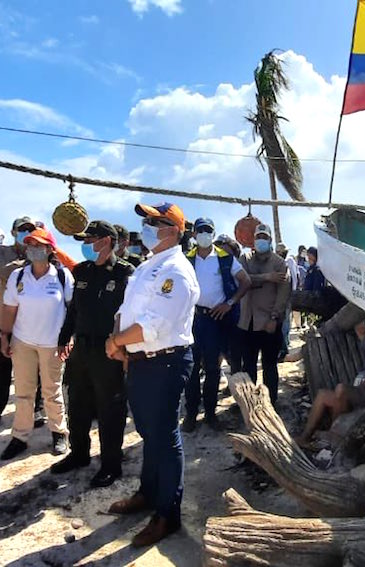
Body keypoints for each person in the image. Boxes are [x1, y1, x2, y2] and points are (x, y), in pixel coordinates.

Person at [104, 202, 198, 547]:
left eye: (154, 222)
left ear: (173, 230)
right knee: (148, 432)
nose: (145, 226)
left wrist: (117, 341)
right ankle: (148, 493)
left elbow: (154, 326)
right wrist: (119, 342)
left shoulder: (176, 271)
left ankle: (167, 515)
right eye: (145, 221)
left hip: (165, 362)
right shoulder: (147, 266)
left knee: (164, 436)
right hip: (142, 360)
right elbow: (126, 310)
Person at [50, 221, 134, 487]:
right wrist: (65, 337)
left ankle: (111, 464)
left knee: (110, 409)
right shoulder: (82, 271)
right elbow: (75, 309)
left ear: (107, 241)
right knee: (78, 404)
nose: (86, 245)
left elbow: (130, 314)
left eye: (91, 240)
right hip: (81, 349)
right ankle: (79, 454)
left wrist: (125, 350)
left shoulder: (124, 273)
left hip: (109, 350)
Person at [0, 227, 72, 460]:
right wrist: (4, 335)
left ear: (50, 249)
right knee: (23, 391)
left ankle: (59, 433)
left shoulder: (62, 276)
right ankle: (20, 436)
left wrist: (68, 338)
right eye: (30, 245)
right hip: (23, 342)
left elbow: (72, 310)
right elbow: (10, 308)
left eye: (39, 245)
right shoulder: (18, 276)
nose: (34, 249)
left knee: (52, 391)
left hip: (52, 344)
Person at [182, 218, 250, 432]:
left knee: (212, 367)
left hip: (214, 320)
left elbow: (246, 281)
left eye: (208, 230)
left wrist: (229, 303)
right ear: (193, 235)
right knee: (191, 369)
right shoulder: (186, 259)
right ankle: (191, 414)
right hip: (192, 320)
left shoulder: (225, 258)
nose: (204, 234)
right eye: (200, 230)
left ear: (213, 233)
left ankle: (210, 414)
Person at [0, 216, 46, 429]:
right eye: (21, 229)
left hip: (31, 321)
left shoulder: (38, 249)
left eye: (30, 229)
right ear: (12, 232)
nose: (26, 233)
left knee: (35, 370)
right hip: (6, 319)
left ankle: (36, 410)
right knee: (2, 368)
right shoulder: (1, 252)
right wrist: (28, 263)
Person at [298, 319, 365, 445]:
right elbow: (359, 329)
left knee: (342, 390)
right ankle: (305, 436)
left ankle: (334, 431)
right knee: (323, 395)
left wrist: (354, 389)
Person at [237, 223, 290, 403]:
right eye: (258, 237)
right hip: (246, 322)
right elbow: (242, 280)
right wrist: (267, 277)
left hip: (269, 322)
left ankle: (271, 404)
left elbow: (283, 293)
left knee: (269, 366)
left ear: (270, 240)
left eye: (264, 238)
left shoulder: (279, 263)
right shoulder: (245, 259)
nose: (261, 241)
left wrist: (274, 317)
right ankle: (251, 404)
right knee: (249, 366)